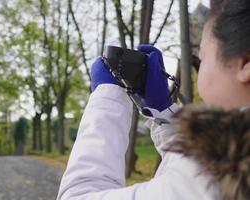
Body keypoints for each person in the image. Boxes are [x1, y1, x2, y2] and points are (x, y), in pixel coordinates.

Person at [57, 0, 250, 199]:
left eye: (202, 59)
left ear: (245, 64)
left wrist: (107, 97)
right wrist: (162, 112)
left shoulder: (214, 178)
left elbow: (77, 194)